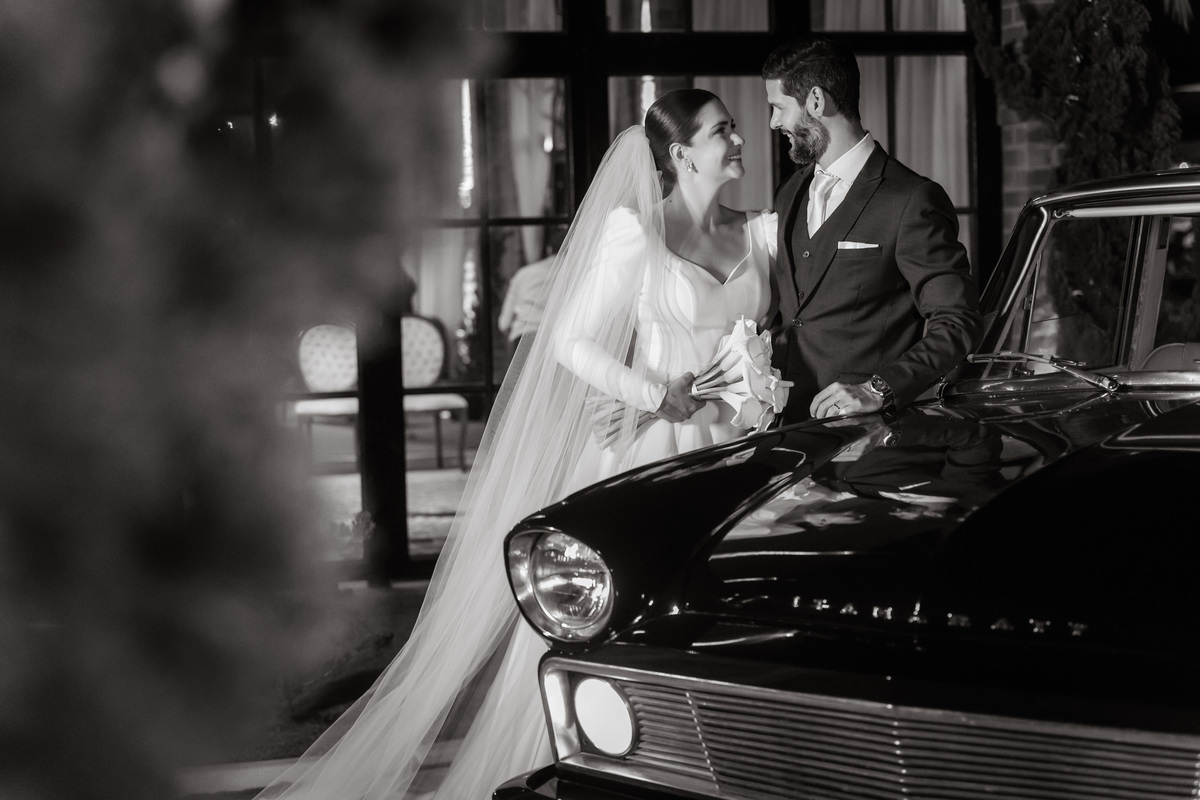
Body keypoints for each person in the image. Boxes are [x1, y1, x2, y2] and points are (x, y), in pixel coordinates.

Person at [256, 88, 776, 800]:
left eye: (736, 128)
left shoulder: (761, 232)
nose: (740, 139)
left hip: (742, 451)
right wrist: (651, 396)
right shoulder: (637, 234)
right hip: (656, 451)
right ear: (682, 154)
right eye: (724, 131)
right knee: (629, 626)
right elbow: (570, 340)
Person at [762, 36, 982, 423]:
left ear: (816, 101)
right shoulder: (789, 192)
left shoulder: (910, 198)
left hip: (868, 437)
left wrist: (880, 388)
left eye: (779, 107)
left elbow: (957, 321)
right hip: (786, 427)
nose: (774, 122)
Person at [497, 227, 563, 354]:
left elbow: (504, 323)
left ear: (549, 249)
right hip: (553, 342)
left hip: (523, 339)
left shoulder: (523, 274)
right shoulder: (572, 275)